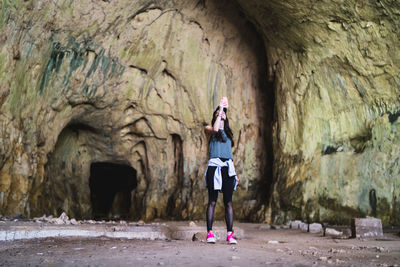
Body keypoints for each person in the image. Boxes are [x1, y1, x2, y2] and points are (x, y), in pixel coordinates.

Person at [204, 96, 239, 244]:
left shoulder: (229, 136)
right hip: (214, 167)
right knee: (212, 201)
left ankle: (230, 234)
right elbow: (216, 128)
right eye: (219, 113)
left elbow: (230, 156)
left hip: (228, 169)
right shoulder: (210, 130)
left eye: (225, 113)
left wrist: (235, 173)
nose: (222, 114)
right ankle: (210, 234)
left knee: (228, 203)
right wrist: (220, 109)